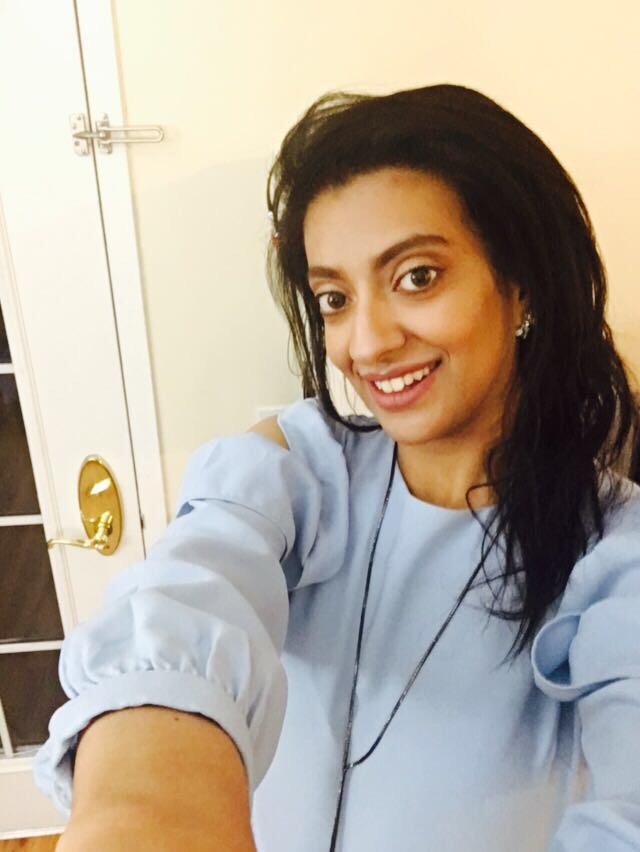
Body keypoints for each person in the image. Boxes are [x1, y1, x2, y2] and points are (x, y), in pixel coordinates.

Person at [35, 84, 640, 851]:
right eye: (333, 297)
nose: (368, 342)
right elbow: (191, 594)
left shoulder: (615, 556)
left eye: (416, 276)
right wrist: (141, 807)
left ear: (521, 286)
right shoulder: (301, 471)